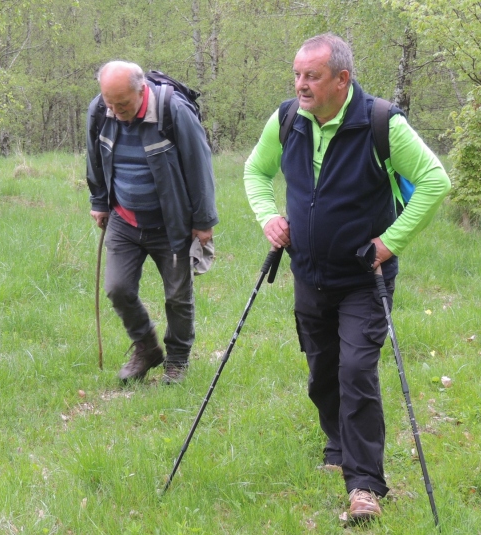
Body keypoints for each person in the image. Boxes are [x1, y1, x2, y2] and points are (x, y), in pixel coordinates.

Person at [243, 34, 450, 520]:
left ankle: (364, 487)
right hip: (308, 273)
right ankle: (337, 444)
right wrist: (268, 217)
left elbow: (435, 181)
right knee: (322, 372)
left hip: (363, 276)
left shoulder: (381, 124)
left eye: (311, 76)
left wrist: (390, 242)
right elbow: (255, 171)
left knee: (356, 370)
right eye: (296, 74)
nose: (301, 85)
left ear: (342, 79)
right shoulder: (288, 120)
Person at [86, 61, 218, 385]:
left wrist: (202, 221)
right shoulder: (100, 111)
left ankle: (177, 360)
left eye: (123, 105)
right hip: (124, 219)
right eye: (110, 104)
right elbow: (94, 155)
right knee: (117, 289)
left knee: (177, 296)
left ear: (141, 89)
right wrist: (99, 201)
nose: (115, 112)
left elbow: (199, 166)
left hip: (171, 223)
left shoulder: (173, 111)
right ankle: (146, 348)